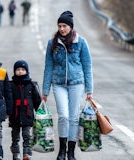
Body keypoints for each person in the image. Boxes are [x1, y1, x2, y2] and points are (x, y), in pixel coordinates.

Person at [41, 11, 94, 160]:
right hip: (58, 83)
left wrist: (89, 90)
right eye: (59, 26)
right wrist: (45, 90)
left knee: (74, 117)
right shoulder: (52, 43)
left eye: (64, 26)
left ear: (70, 26)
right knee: (63, 116)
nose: (62, 29)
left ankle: (71, 152)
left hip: (77, 83)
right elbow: (48, 67)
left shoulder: (81, 42)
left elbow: (87, 66)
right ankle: (62, 150)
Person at [9, 60, 41, 160]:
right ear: (14, 71)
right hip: (15, 116)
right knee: (15, 136)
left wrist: (40, 113)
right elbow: (8, 100)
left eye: (23, 69)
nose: (20, 71)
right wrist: (6, 112)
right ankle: (16, 153)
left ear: (27, 71)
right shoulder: (11, 85)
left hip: (27, 116)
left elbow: (37, 101)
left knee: (27, 135)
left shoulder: (31, 85)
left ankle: (27, 153)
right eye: (18, 69)